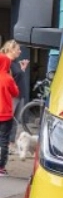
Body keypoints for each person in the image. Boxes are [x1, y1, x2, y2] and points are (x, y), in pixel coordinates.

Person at [0, 42, 22, 176]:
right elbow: (15, 93)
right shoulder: (8, 78)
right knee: (3, 140)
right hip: (5, 114)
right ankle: (1, 167)